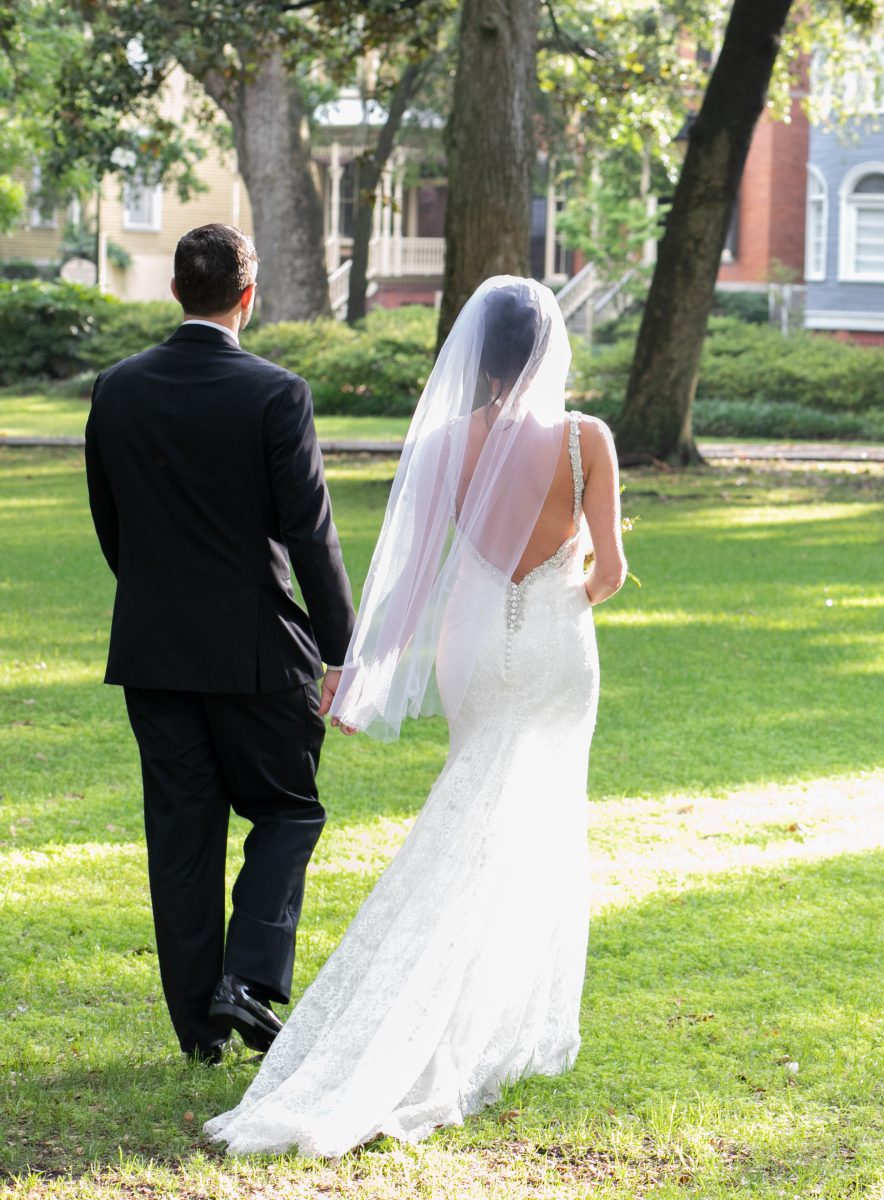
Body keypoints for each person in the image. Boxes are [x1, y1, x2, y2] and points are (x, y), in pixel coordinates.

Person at [204, 276, 628, 1157]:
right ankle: (480, 1020)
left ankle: (468, 1013)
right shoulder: (587, 441)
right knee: (533, 823)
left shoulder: (443, 442)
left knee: (472, 804)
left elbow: (402, 580)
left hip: (468, 650)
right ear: (549, 348)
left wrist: (355, 677)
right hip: (557, 653)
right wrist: (561, 595)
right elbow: (611, 573)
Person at [85, 223, 357, 1065]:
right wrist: (343, 651)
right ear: (250, 296)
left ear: (175, 292)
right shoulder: (278, 393)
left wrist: (159, 598)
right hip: (257, 653)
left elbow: (111, 525)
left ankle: (200, 1031)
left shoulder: (115, 388)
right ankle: (248, 976)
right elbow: (310, 537)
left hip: (154, 650)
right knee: (288, 808)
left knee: (182, 837)